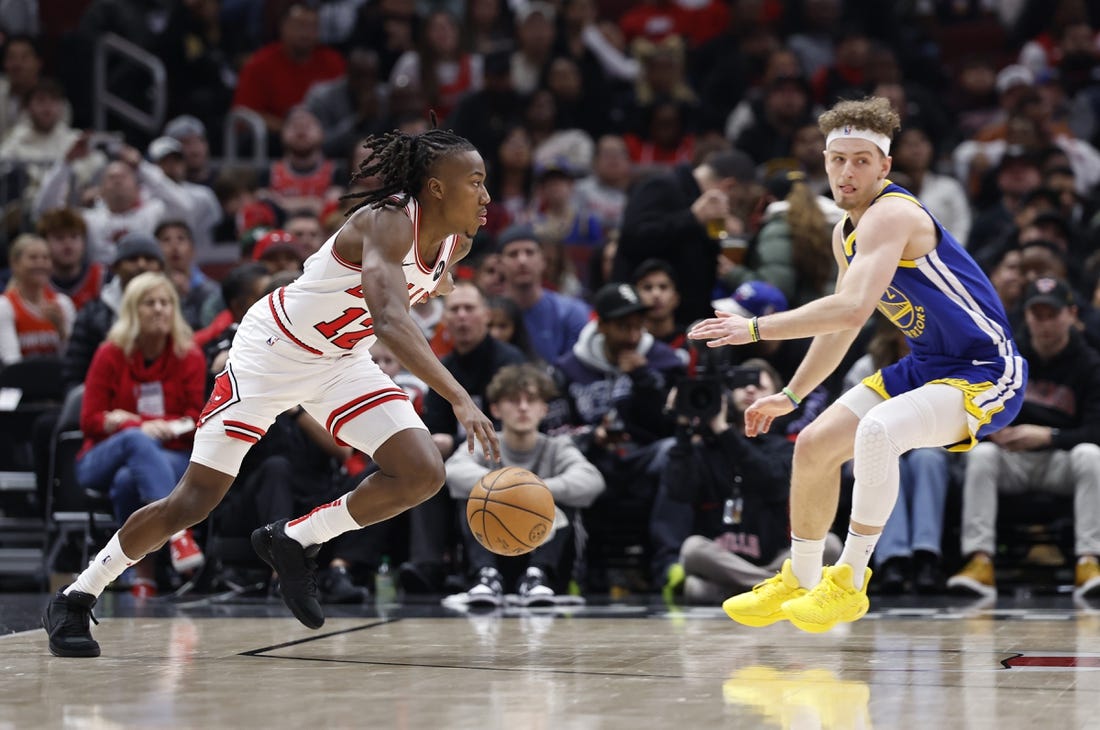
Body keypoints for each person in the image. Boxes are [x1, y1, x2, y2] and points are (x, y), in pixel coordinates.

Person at [44, 124, 500, 657]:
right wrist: (459, 396)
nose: (487, 195)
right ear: (437, 188)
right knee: (192, 501)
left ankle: (294, 538)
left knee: (422, 472)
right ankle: (77, 595)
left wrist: (439, 280)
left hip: (338, 361)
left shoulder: (459, 239)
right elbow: (391, 320)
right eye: (475, 181)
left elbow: (430, 281)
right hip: (270, 354)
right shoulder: (388, 221)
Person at [688, 96, 1026, 633]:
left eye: (861, 160)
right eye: (837, 158)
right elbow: (843, 327)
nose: (847, 172)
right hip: (925, 366)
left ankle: (848, 579)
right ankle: (799, 579)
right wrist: (793, 395)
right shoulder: (844, 232)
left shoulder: (893, 213)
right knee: (816, 445)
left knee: (876, 431)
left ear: (885, 166)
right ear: (824, 160)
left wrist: (753, 328)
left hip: (985, 370)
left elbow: (851, 307)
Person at [947, 277, 1100, 601]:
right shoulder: (1009, 361)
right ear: (1026, 316)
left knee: (1091, 455)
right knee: (980, 456)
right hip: (1012, 459)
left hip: (1060, 460)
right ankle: (979, 561)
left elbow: (1095, 430)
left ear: (1071, 314)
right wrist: (993, 429)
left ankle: (1089, 561)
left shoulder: (1091, 365)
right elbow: (975, 411)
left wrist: (1050, 436)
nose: (1044, 323)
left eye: (1052, 314)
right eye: (1037, 314)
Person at [76, 272, 207, 597]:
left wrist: (135, 420)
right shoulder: (110, 353)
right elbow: (90, 420)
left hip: (172, 455)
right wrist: (136, 426)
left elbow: (196, 418)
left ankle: (142, 574)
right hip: (103, 454)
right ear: (133, 310)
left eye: (166, 303)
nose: (160, 309)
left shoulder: (189, 355)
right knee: (137, 441)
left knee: (128, 481)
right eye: (150, 303)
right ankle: (179, 535)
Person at [445, 364, 605, 607]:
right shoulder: (484, 443)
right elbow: (453, 471)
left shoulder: (557, 446)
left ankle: (537, 576)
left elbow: (592, 481)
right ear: (495, 409)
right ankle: (486, 576)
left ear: (544, 409)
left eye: (531, 400)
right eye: (512, 400)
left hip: (544, 551)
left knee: (558, 498)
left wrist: (532, 491)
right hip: (491, 551)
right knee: (479, 499)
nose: (522, 407)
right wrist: (506, 492)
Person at [0, 234, 75, 365]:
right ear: (15, 264)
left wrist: (61, 330)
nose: (41, 263)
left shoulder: (63, 303)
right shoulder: (5, 306)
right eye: (33, 258)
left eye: (46, 258)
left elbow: (74, 360)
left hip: (59, 382)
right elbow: (11, 363)